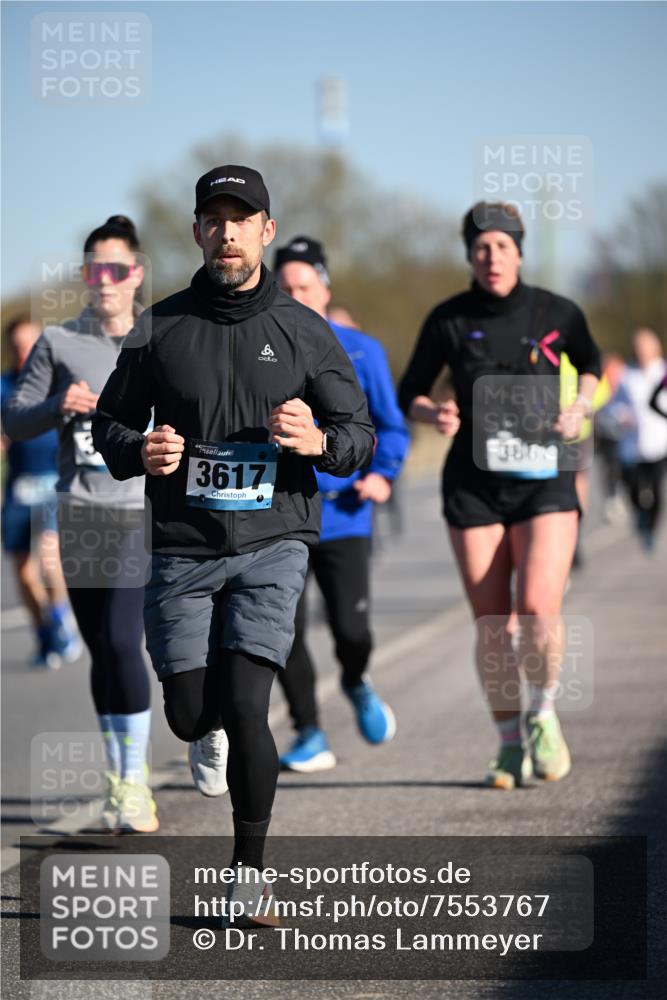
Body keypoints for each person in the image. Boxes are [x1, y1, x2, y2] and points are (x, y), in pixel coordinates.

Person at [92, 166, 374, 919]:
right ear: (195, 231)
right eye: (212, 218)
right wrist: (138, 447)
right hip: (182, 544)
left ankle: (246, 875)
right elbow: (108, 426)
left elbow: (358, 437)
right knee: (190, 712)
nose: (226, 231)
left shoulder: (306, 331)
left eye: (240, 218)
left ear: (265, 232)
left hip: (273, 537)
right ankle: (201, 724)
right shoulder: (161, 325)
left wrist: (317, 439)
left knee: (251, 704)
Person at [398, 201, 601, 790]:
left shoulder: (556, 310)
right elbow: (410, 390)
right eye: (481, 247)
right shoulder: (448, 319)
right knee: (492, 625)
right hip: (474, 485)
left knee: (538, 606)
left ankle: (542, 714)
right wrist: (433, 412)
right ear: (468, 253)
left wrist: (580, 405)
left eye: (503, 246)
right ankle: (508, 744)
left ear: (519, 251)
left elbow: (588, 363)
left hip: (545, 480)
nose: (492, 258)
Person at [5, 217, 157, 833]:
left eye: (118, 269)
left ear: (137, 273)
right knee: (100, 648)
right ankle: (120, 779)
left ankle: (138, 784)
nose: (108, 281)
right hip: (79, 511)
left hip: (137, 509)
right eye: (96, 269)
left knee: (124, 641)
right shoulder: (59, 343)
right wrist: (55, 405)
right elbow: (15, 421)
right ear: (84, 276)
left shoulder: (162, 337)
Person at [273, 236, 409, 772]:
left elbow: (391, 428)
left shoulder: (361, 349)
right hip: (279, 515)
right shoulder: (258, 347)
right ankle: (309, 730)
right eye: (284, 288)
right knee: (283, 630)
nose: (294, 296)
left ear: (324, 289)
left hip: (345, 513)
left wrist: (383, 476)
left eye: (304, 286)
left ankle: (356, 679)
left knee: (352, 631)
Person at [1, 316, 80, 669]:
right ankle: (43, 633)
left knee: (50, 555)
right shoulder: (4, 386)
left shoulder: (57, 382)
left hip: (54, 480)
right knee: (22, 570)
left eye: (29, 345)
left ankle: (62, 619)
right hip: (19, 484)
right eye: (16, 346)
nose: (23, 352)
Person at [606, 328, 667, 551]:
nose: (642, 351)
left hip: (659, 443)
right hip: (631, 445)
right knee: (632, 488)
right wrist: (620, 415)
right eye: (638, 347)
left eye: (646, 346)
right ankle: (640, 518)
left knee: (657, 491)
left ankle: (649, 529)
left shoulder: (663, 371)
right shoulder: (626, 375)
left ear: (655, 347)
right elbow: (612, 406)